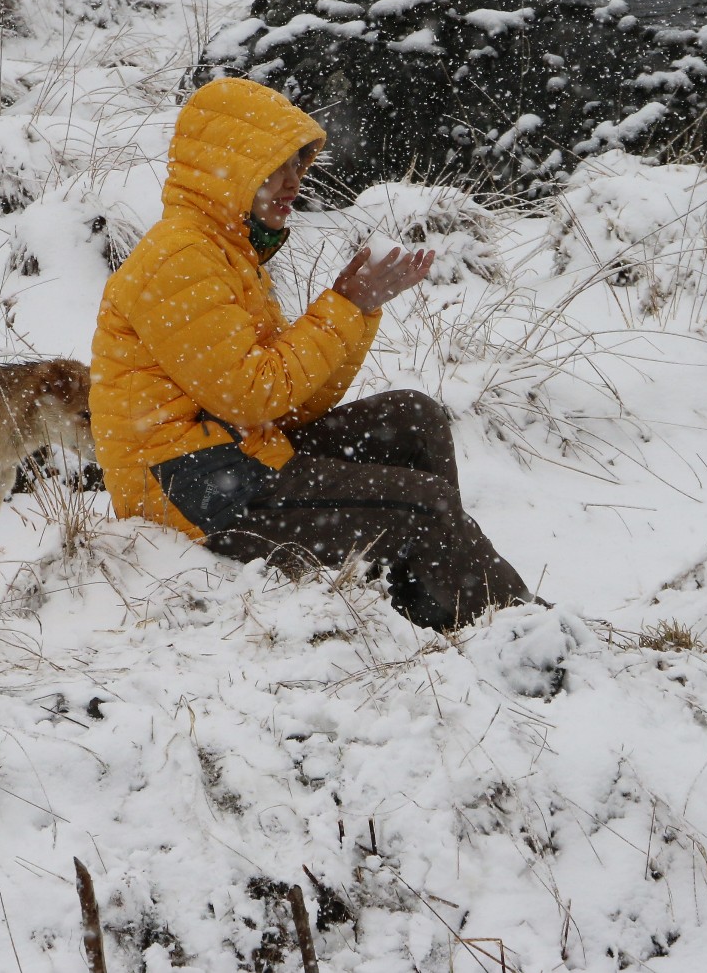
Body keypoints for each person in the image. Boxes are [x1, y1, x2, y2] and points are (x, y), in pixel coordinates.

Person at [90, 77, 533, 630]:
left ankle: (426, 606)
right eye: (275, 169)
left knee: (411, 419)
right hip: (189, 490)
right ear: (227, 171)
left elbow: (292, 406)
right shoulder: (179, 257)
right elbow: (254, 395)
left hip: (241, 455)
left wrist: (359, 311)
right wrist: (341, 307)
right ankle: (524, 639)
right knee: (425, 503)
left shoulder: (228, 254)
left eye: (299, 168)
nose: (292, 185)